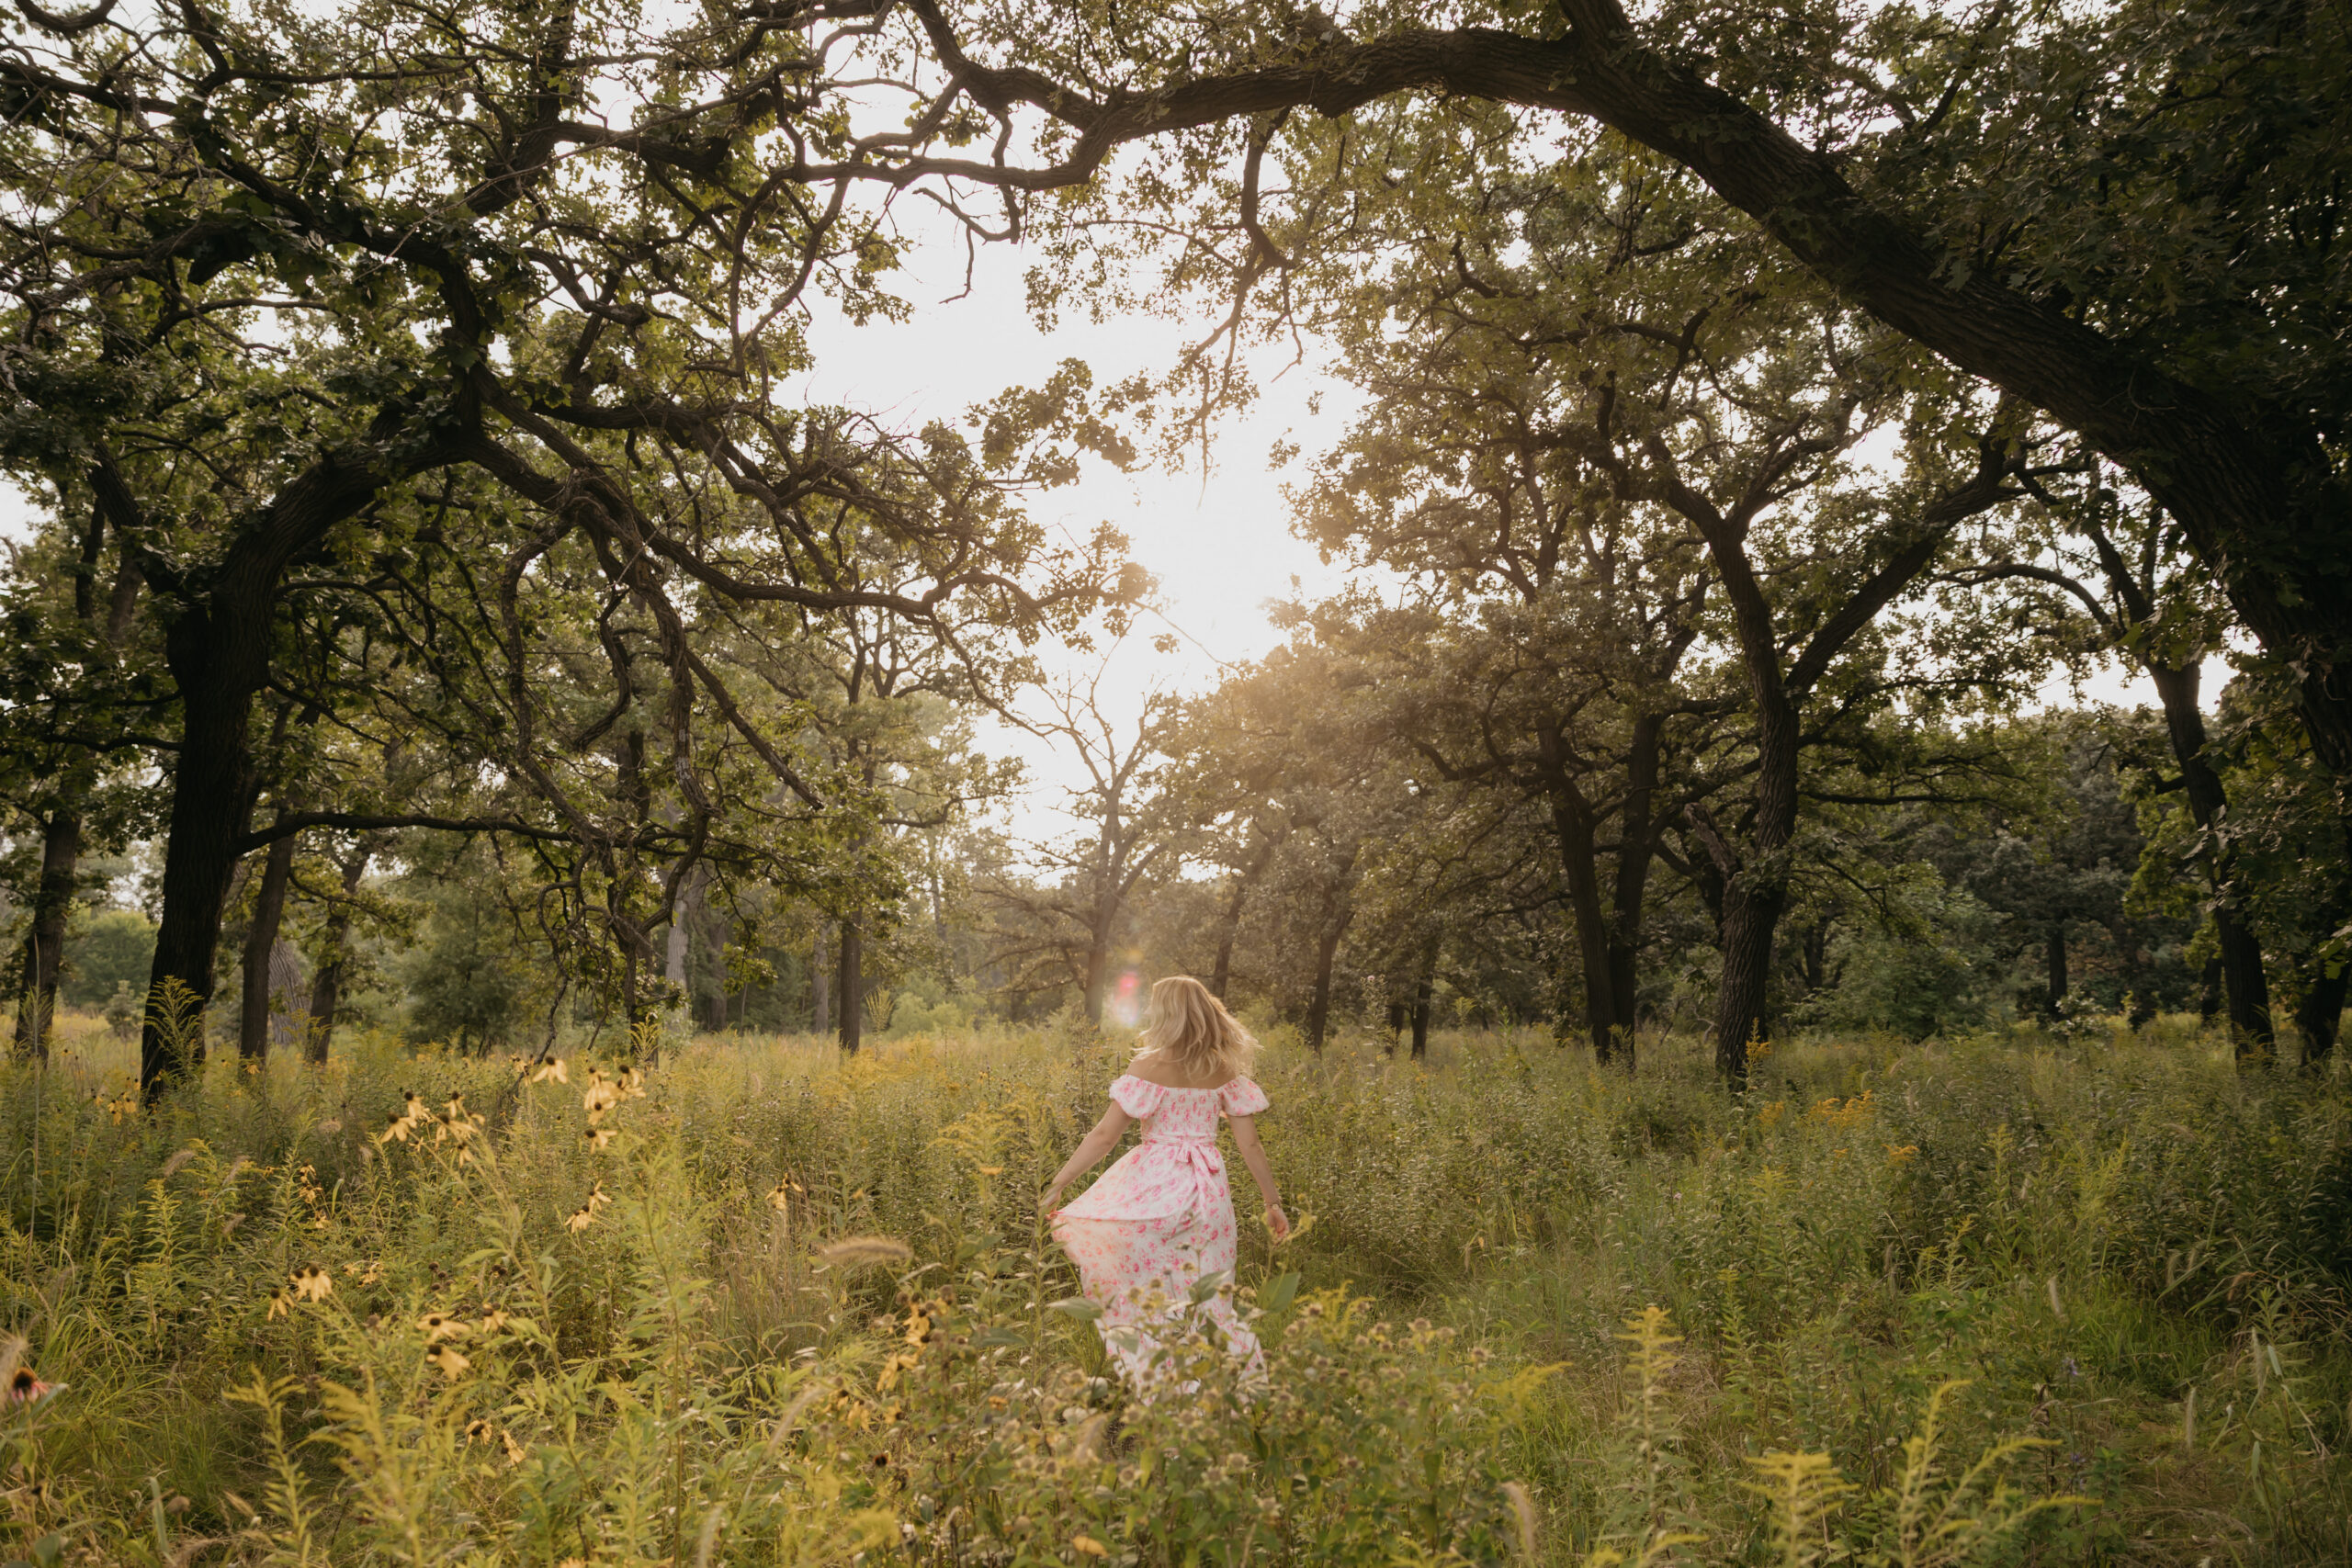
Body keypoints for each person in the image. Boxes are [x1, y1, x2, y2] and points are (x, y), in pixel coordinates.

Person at [1042, 976, 1290, 1388]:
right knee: (1212, 1293)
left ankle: (1166, 1384)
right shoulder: (1223, 1068)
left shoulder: (1148, 1066)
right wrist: (1273, 1202)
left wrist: (1059, 1182)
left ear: (1167, 1014)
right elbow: (1251, 1146)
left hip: (1153, 1189)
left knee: (1149, 1287)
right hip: (1208, 1193)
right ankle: (1229, 1391)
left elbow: (1105, 1137)